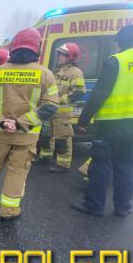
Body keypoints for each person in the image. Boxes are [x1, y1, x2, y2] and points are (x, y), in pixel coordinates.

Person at [0, 28, 59, 220]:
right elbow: (50, 107)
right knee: (16, 173)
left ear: (13, 48)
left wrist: (1, 121)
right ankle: (8, 211)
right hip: (26, 137)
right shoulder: (45, 74)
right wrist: (20, 123)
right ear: (36, 48)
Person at [72, 24, 133, 217]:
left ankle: (94, 205)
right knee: (126, 165)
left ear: (123, 41)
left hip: (112, 124)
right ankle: (123, 207)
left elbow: (99, 93)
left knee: (102, 165)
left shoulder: (117, 61)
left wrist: (83, 120)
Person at [35, 43, 86, 173]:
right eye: (59, 54)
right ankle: (45, 157)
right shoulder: (56, 71)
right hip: (50, 110)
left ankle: (63, 164)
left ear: (70, 56)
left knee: (63, 138)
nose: (59, 57)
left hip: (62, 112)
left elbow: (79, 91)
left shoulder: (76, 72)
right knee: (46, 135)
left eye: (62, 54)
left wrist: (60, 100)